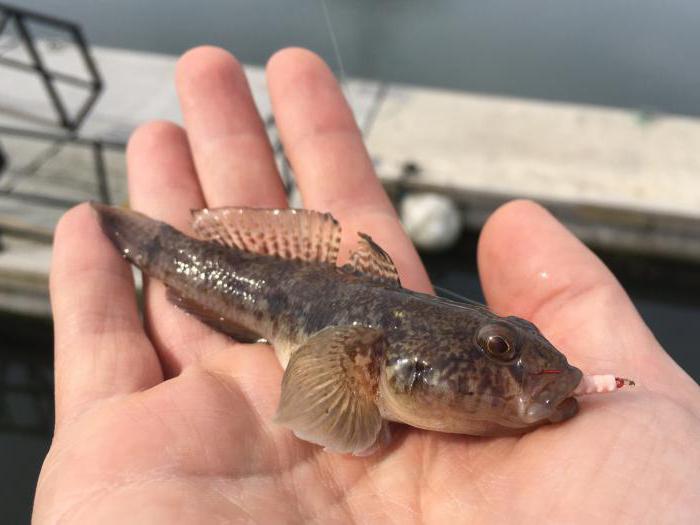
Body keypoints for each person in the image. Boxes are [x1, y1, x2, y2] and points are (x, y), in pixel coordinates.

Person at [33, 47, 699, 524]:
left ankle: (125, 226)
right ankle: (131, 232)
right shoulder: (363, 350)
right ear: (372, 360)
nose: (523, 369)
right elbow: (324, 400)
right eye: (498, 348)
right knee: (163, 252)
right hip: (272, 287)